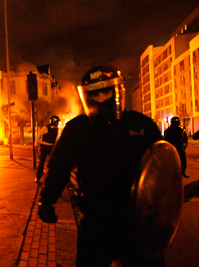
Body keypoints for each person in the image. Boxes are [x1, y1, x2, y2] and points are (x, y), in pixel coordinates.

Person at [37, 65, 166, 266]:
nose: (102, 99)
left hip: (138, 218)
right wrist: (47, 198)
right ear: (88, 97)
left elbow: (162, 166)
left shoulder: (140, 124)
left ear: (116, 92)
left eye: (106, 92)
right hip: (96, 218)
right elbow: (59, 167)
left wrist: (164, 207)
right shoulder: (78, 129)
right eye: (96, 94)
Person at [35, 115, 60, 183]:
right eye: (57, 122)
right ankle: (38, 177)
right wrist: (36, 144)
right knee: (42, 162)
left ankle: (53, 177)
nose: (58, 123)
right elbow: (39, 135)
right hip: (45, 147)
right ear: (54, 121)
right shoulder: (45, 128)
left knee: (54, 162)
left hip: (52, 147)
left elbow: (56, 138)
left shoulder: (56, 129)